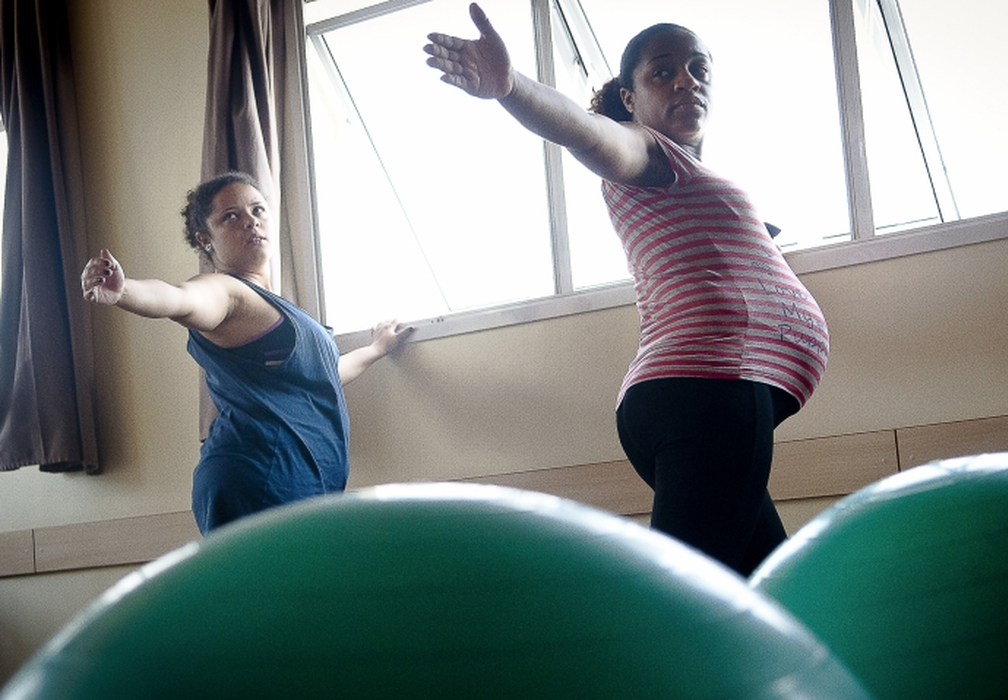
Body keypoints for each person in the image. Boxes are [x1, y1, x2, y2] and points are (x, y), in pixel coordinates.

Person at [425, 4, 829, 576]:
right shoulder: (644, 149)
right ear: (629, 98)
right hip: (709, 389)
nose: (686, 80)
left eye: (698, 68)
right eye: (662, 72)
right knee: (684, 598)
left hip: (701, 398)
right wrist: (512, 87)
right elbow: (587, 132)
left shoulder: (689, 176)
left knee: (764, 584)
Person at [80, 172, 413, 535]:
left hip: (299, 482)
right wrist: (124, 291)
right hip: (257, 479)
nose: (251, 221)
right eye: (231, 216)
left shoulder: (280, 310)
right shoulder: (226, 291)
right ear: (205, 239)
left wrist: (377, 348)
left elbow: (326, 376)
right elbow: (180, 299)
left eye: (258, 209)